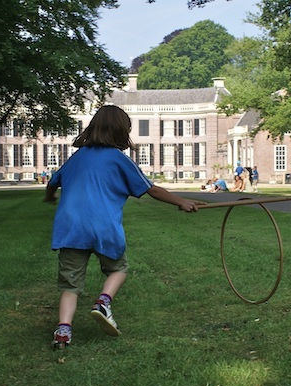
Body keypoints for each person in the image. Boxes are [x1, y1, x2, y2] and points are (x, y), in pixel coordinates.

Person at [44, 105, 204, 348]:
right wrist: (181, 201)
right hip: (103, 227)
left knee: (70, 285)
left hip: (71, 228)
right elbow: (151, 189)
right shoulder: (119, 159)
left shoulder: (77, 157)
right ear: (121, 132)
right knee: (118, 268)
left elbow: (53, 181)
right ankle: (103, 302)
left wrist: (49, 196)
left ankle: (63, 331)